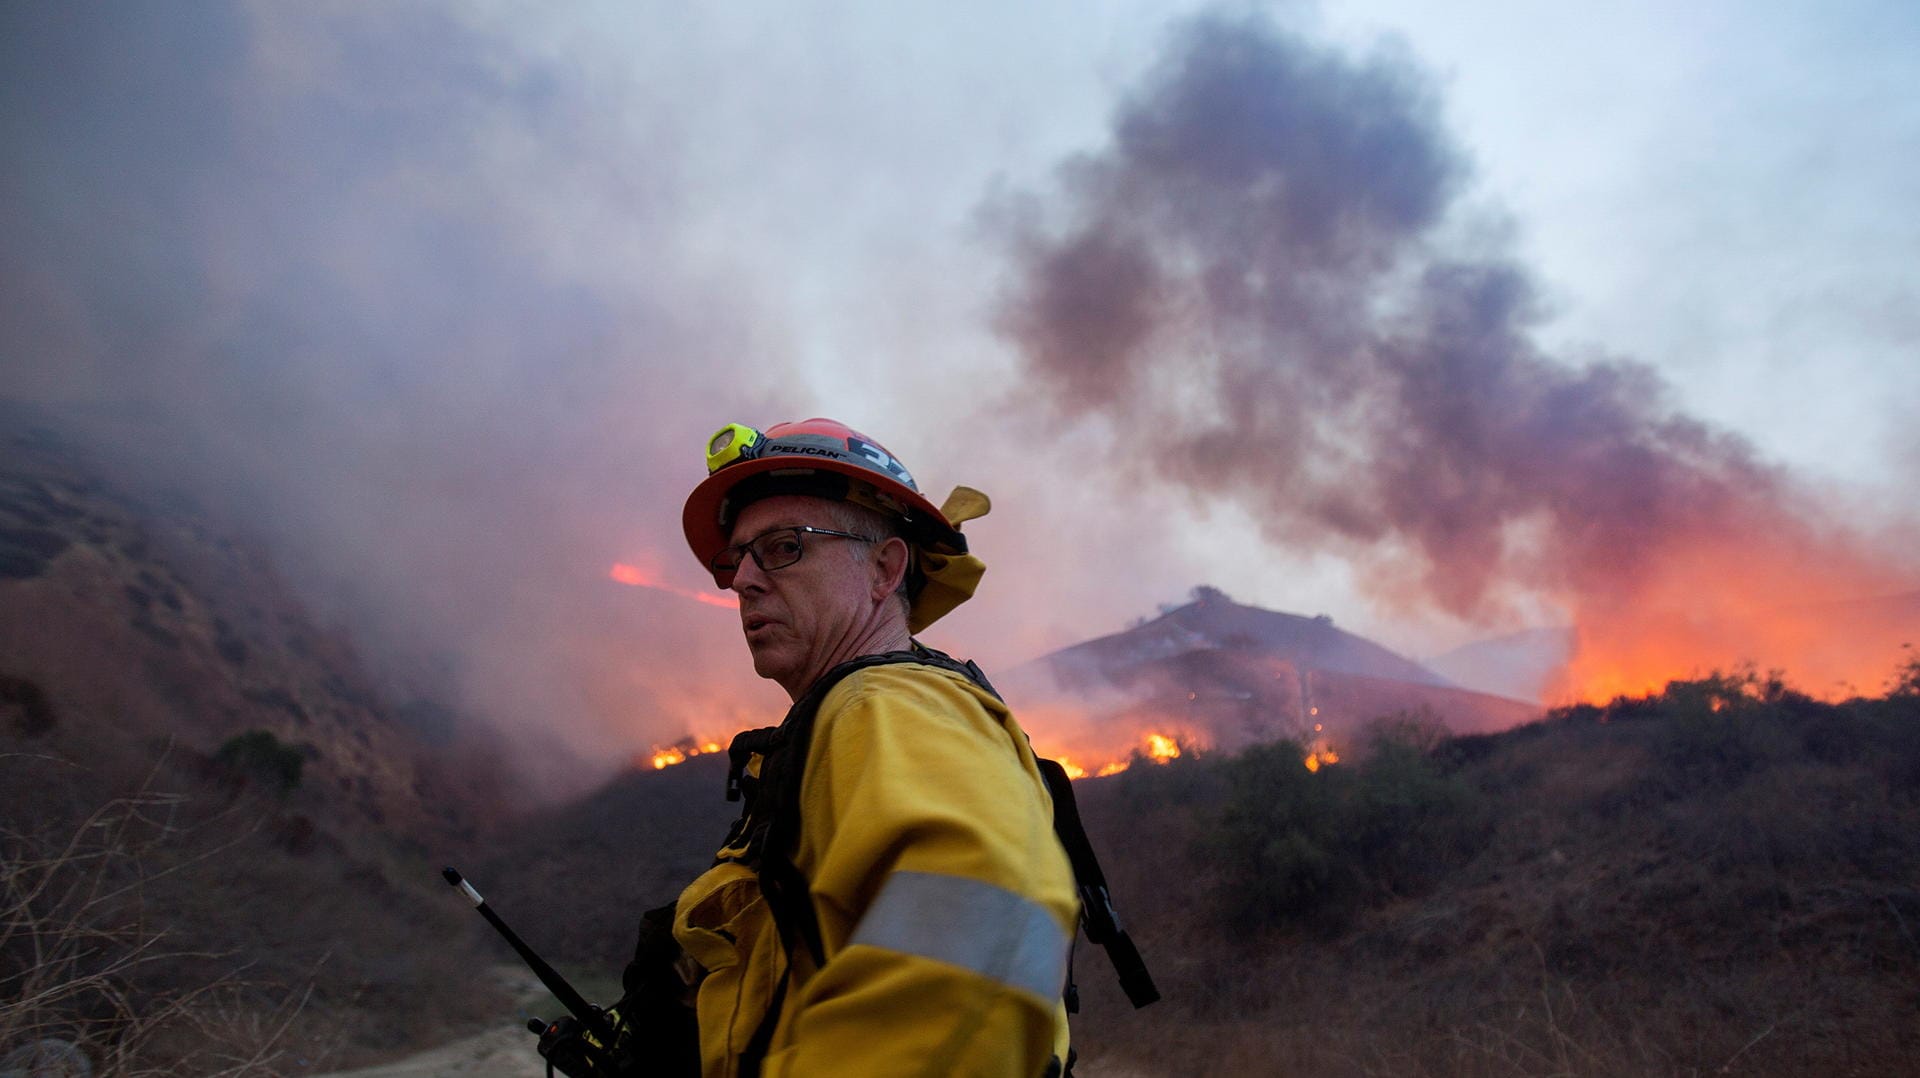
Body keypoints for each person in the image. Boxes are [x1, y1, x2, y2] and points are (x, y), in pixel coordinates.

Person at [670, 418, 1079, 1078]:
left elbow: (983, 941)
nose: (742, 579)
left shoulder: (886, 707)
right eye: (737, 558)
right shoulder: (847, 723)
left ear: (885, 568)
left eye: (783, 547)